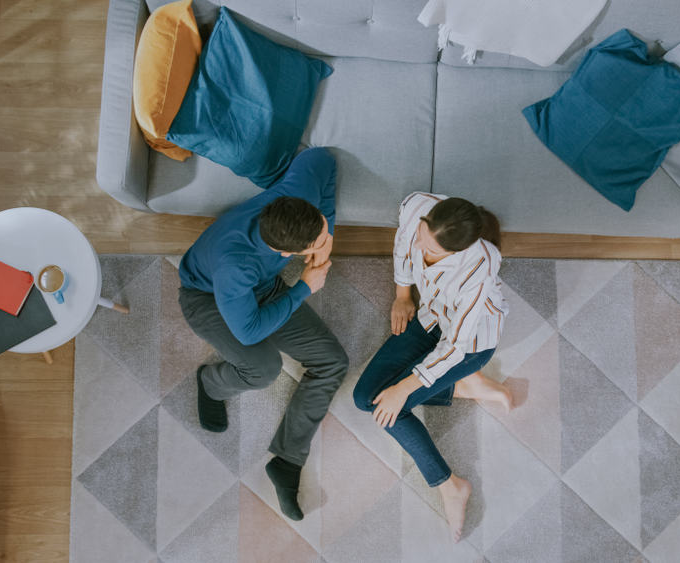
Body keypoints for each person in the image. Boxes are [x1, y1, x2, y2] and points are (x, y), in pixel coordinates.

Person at [178, 147, 348, 522]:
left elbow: (322, 160)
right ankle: (210, 383)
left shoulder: (292, 201)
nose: (321, 246)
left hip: (264, 287)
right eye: (315, 244)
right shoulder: (235, 264)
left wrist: (328, 232)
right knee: (263, 367)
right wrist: (305, 287)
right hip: (206, 298)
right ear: (287, 252)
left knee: (333, 361)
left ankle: (287, 462)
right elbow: (249, 327)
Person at [353, 191, 513, 542]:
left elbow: (454, 348)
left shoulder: (478, 273)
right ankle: (463, 387)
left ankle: (449, 485)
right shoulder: (418, 209)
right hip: (429, 319)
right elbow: (402, 247)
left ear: (457, 252)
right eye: (422, 235)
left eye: (430, 251)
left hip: (468, 348)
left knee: (387, 406)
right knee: (364, 397)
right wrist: (402, 295)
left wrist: (402, 389)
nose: (420, 248)